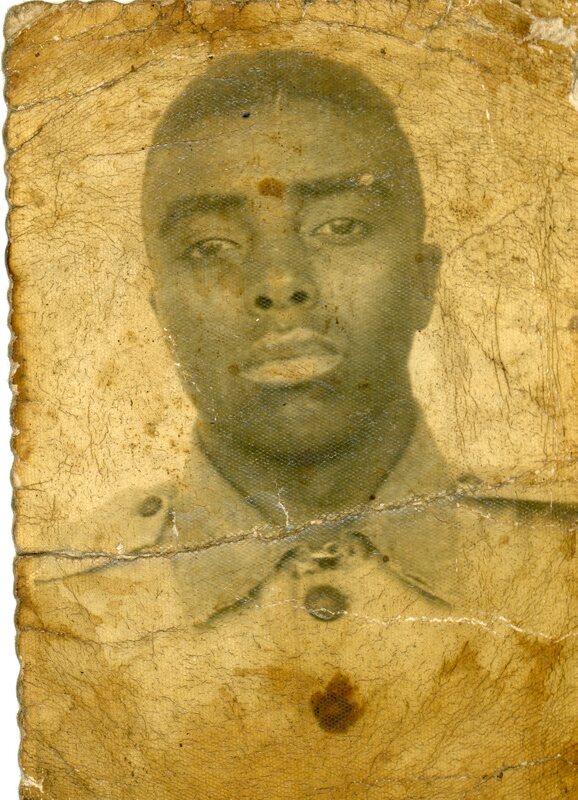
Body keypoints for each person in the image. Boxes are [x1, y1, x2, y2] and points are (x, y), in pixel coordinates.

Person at [22, 50, 577, 799]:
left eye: (339, 226)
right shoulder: (55, 610)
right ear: (163, 315)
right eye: (211, 247)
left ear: (423, 281)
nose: (280, 283)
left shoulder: (561, 571)